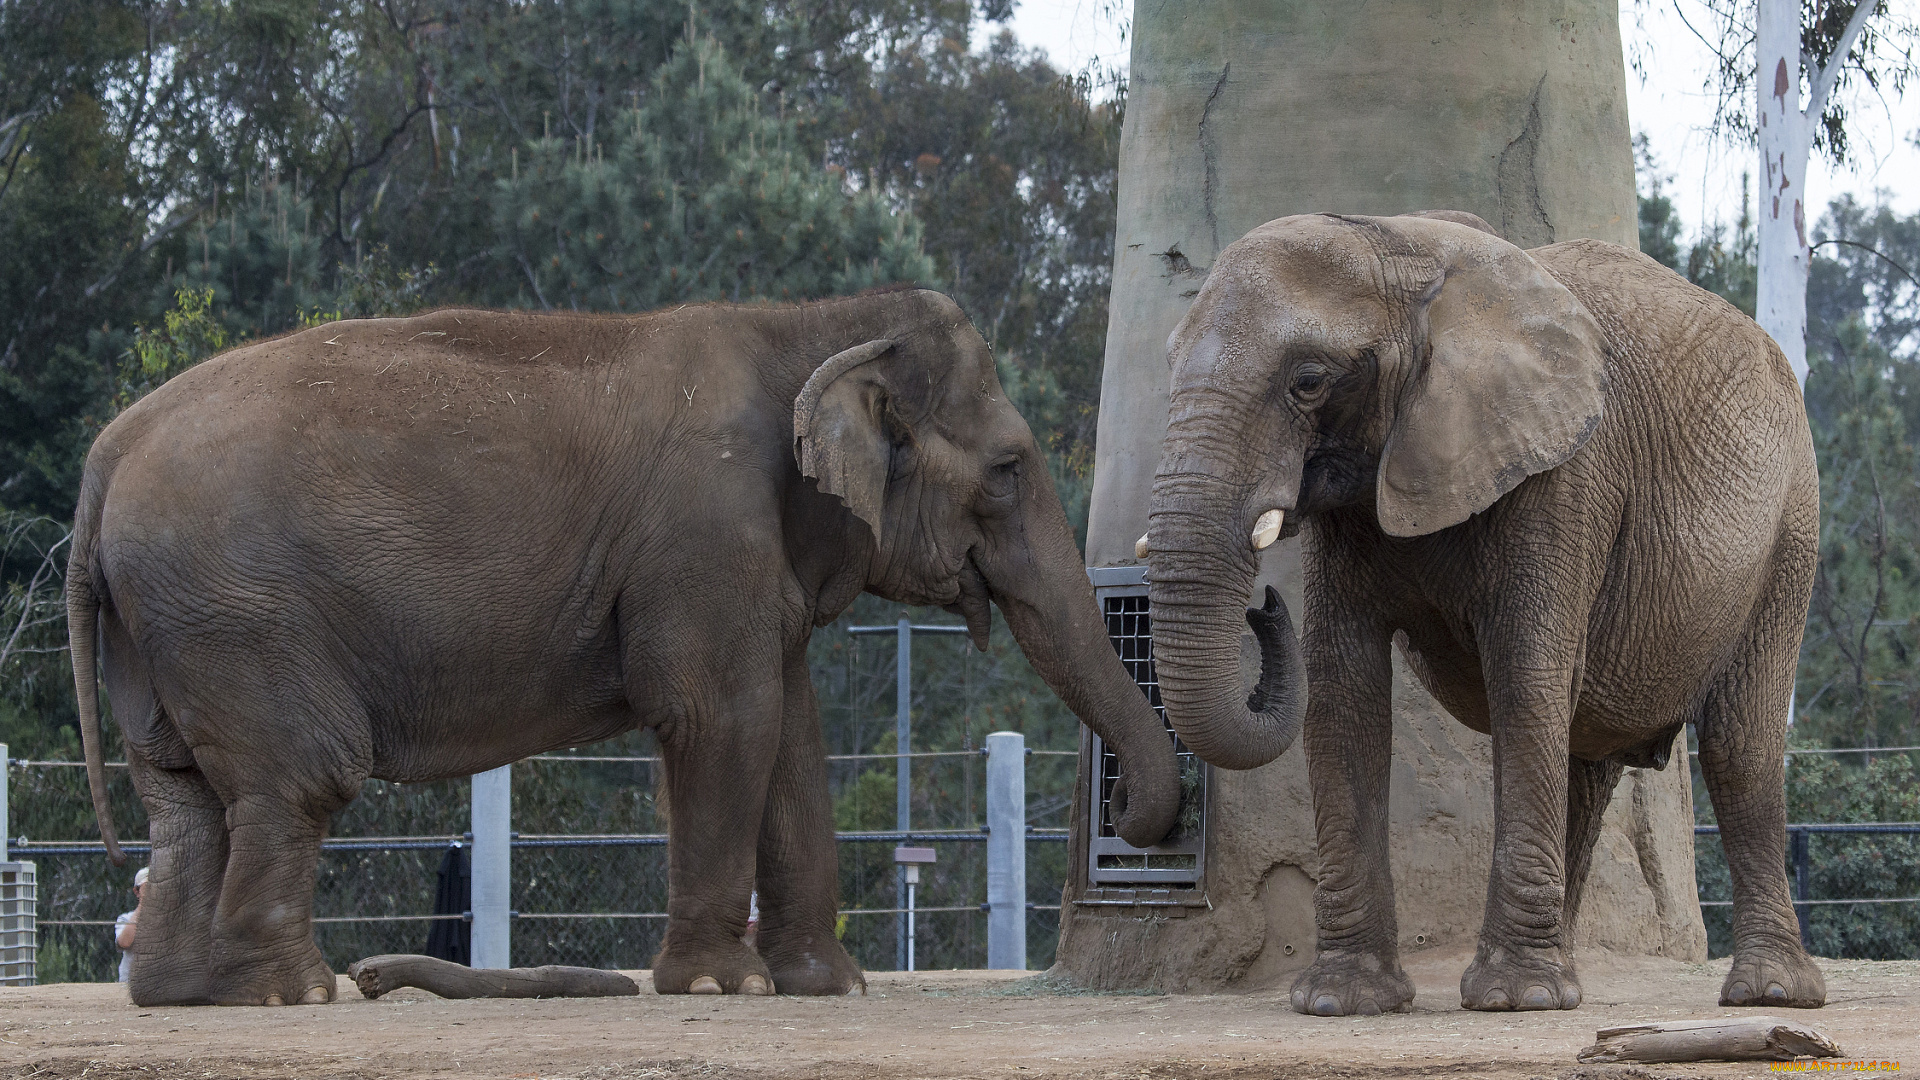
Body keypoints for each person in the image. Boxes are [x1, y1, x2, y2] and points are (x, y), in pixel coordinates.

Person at [115, 867, 146, 983]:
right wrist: (144, 903)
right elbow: (124, 942)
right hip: (130, 982)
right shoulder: (126, 918)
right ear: (137, 892)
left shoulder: (171, 917)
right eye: (148, 887)